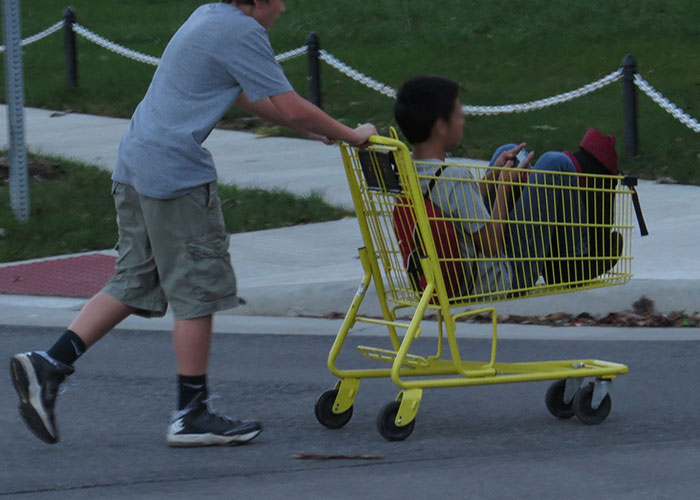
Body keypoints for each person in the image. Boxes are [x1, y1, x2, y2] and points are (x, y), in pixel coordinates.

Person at [10, 0, 377, 448]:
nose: (284, 6)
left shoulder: (210, 15)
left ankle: (49, 364)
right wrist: (351, 134)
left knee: (133, 282)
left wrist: (302, 125)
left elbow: (240, 90)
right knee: (197, 293)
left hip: (136, 164)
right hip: (175, 176)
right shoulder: (242, 31)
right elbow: (292, 105)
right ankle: (190, 413)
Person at [393, 75, 589, 300]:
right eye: (458, 115)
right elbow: (492, 245)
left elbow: (455, 207)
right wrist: (504, 186)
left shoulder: (410, 173)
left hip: (466, 270)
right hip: (500, 280)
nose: (463, 122)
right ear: (440, 127)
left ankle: (559, 252)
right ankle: (578, 257)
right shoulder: (454, 177)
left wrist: (493, 175)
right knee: (555, 163)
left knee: (507, 150)